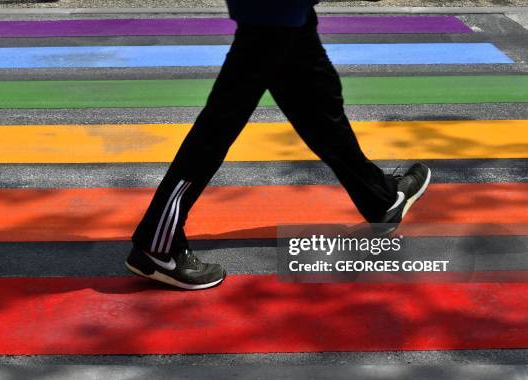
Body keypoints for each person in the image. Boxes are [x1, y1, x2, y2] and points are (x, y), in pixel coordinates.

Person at [125, 0, 431, 290]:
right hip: (272, 9)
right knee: (221, 121)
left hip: (287, 9)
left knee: (319, 102)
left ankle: (381, 198)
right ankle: (157, 242)